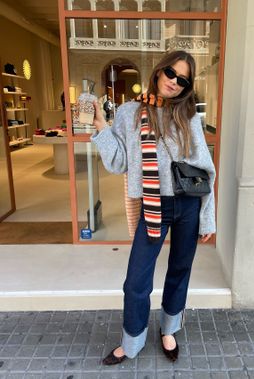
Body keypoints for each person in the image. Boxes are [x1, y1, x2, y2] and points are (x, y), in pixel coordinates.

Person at [91, 50, 216, 365]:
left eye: (183, 80)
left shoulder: (187, 115)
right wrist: (101, 129)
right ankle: (132, 341)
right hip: (152, 204)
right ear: (160, 71)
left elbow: (205, 169)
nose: (175, 82)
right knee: (136, 281)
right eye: (171, 74)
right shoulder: (129, 112)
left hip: (187, 203)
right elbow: (120, 162)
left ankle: (169, 329)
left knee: (180, 270)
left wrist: (207, 217)